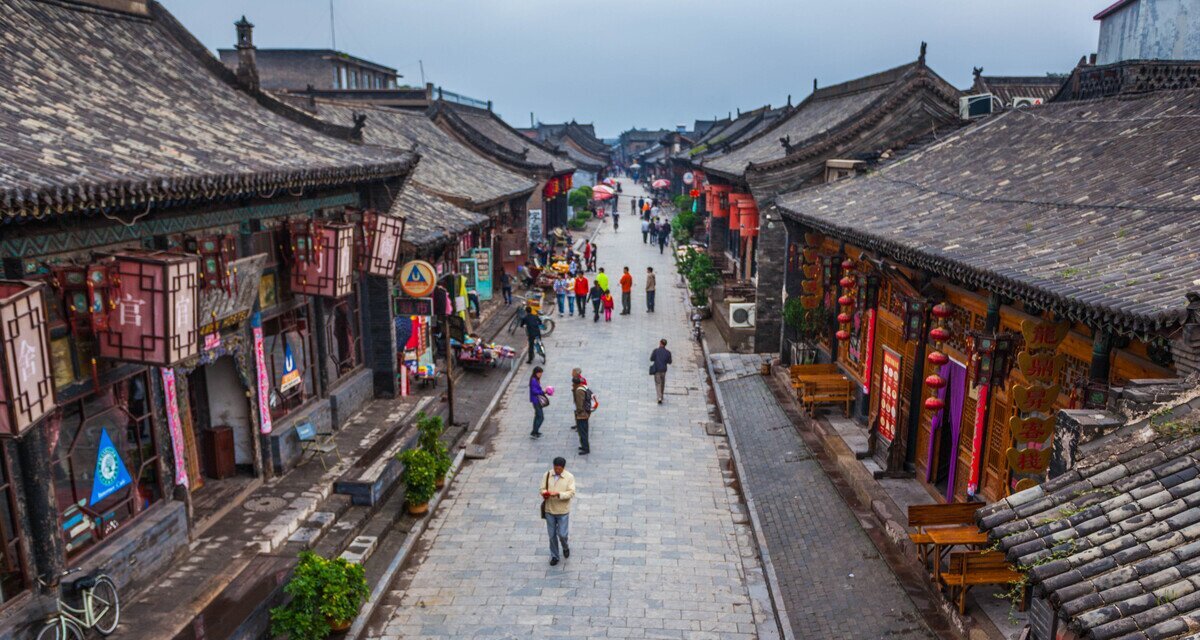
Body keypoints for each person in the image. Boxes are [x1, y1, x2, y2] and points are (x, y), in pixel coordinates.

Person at [539, 457, 575, 565]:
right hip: (549, 509)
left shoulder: (569, 477)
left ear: (563, 468)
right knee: (551, 535)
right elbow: (542, 488)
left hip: (562, 511)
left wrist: (558, 494)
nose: (557, 471)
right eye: (555, 468)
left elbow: (571, 493)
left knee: (562, 534)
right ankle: (554, 556)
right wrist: (545, 493)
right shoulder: (547, 475)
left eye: (559, 469)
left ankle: (565, 546)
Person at [649, 339, 673, 404]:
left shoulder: (656, 351)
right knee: (662, 383)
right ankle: (661, 395)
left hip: (657, 369)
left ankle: (659, 397)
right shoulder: (668, 352)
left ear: (660, 343)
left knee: (658, 383)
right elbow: (670, 362)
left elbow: (651, 359)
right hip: (664, 370)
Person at [572, 374, 592, 454]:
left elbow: (579, 404)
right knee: (584, 431)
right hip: (585, 414)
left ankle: (586, 448)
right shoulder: (583, 387)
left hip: (582, 415)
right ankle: (584, 446)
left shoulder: (579, 391)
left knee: (582, 432)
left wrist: (578, 412)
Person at [529, 366, 547, 438]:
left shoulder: (535, 379)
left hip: (537, 400)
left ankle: (535, 431)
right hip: (536, 401)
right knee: (540, 417)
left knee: (537, 416)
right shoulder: (533, 380)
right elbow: (534, 391)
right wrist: (543, 391)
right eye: (540, 373)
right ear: (536, 373)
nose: (541, 375)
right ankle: (534, 431)